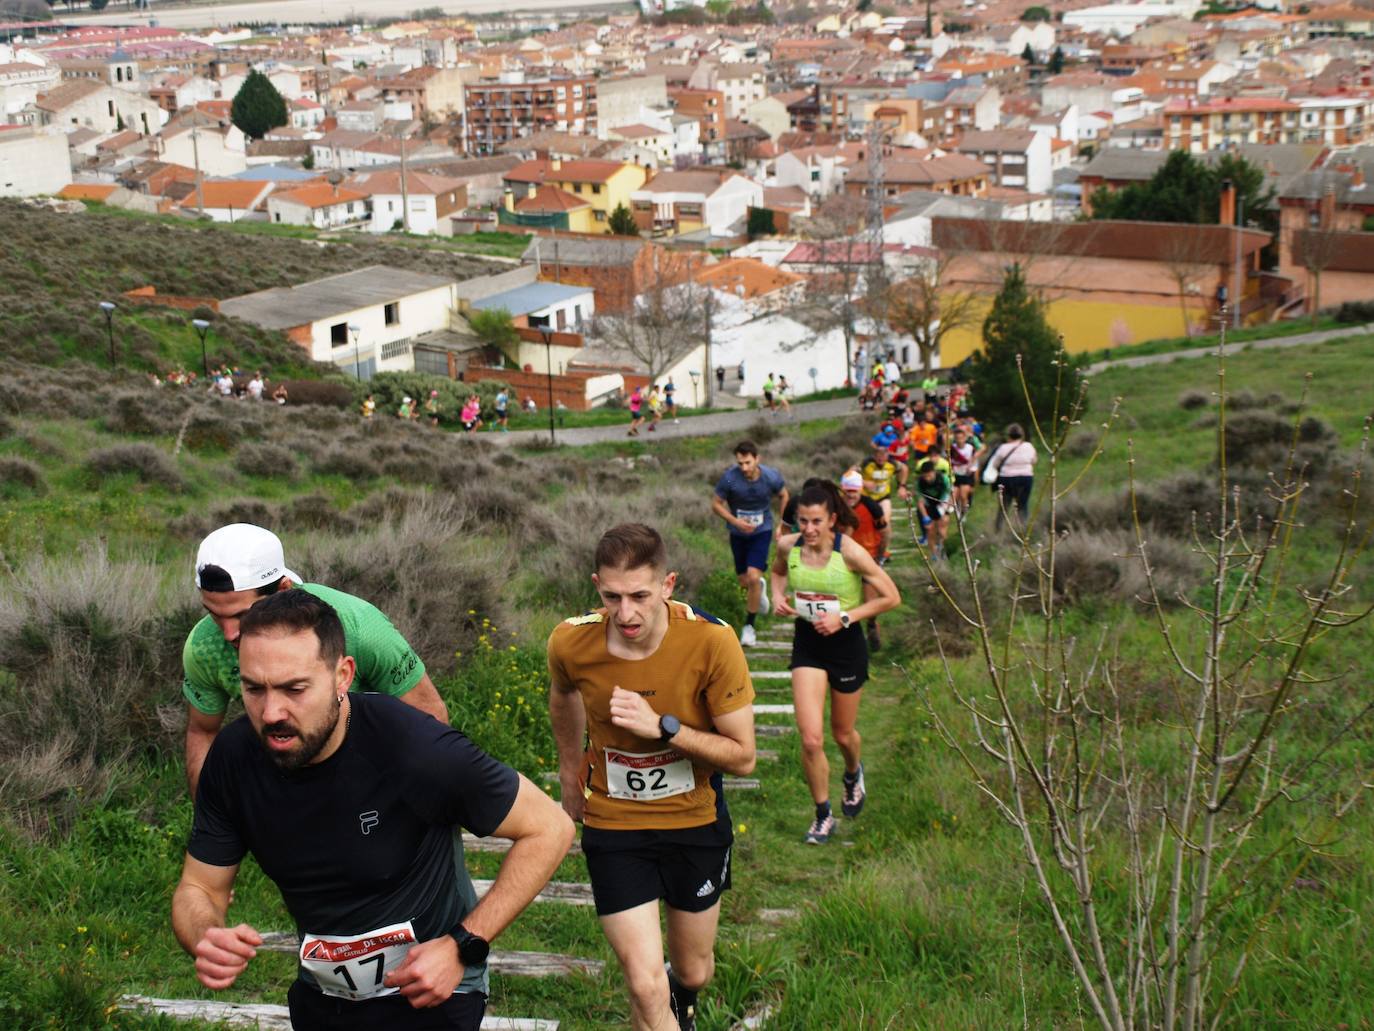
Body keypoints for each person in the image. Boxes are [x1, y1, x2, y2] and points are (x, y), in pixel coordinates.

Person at [173, 590, 573, 1031]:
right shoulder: (234, 759)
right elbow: (200, 888)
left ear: (343, 675)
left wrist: (463, 945)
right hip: (324, 996)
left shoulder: (411, 747)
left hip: (433, 992)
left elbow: (549, 827)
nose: (271, 713)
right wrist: (206, 935)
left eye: (295, 689)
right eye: (254, 689)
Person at [548, 524, 756, 1031]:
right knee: (644, 984)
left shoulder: (712, 641)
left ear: (668, 586)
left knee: (693, 970)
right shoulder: (572, 641)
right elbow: (563, 693)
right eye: (612, 597)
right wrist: (570, 773)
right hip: (615, 823)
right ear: (597, 585)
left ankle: (678, 997)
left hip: (695, 819)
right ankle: (661, 1006)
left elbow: (743, 757)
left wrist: (663, 728)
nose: (626, 613)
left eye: (640, 595)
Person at [181, 523, 450, 797]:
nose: (228, 634)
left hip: (375, 773)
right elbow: (203, 732)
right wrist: (209, 826)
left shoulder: (359, 627)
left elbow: (429, 716)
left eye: (242, 615)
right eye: (214, 614)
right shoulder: (203, 647)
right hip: (288, 776)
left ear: (283, 589)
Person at [770, 483, 899, 844]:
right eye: (803, 521)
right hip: (808, 643)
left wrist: (845, 617)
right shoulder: (787, 545)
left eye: (816, 522)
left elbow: (891, 597)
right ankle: (823, 815)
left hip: (845, 645)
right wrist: (777, 595)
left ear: (831, 521)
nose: (808, 529)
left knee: (842, 733)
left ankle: (853, 772)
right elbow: (778, 572)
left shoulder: (852, 553)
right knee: (811, 739)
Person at [711, 440, 788, 648]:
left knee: (753, 576)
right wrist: (735, 521)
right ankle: (758, 586)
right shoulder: (731, 479)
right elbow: (716, 504)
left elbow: (783, 495)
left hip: (761, 532)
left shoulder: (770, 476)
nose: (744, 468)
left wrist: (782, 524)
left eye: (747, 462)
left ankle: (749, 627)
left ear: (757, 459)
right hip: (737, 534)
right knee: (745, 581)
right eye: (740, 463)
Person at [838, 469, 889, 651]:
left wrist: (881, 556)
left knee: (870, 601)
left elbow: (884, 532)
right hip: (843, 560)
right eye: (847, 491)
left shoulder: (872, 506)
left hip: (869, 557)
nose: (851, 495)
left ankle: (872, 627)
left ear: (860, 490)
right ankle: (844, 637)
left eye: (854, 491)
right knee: (843, 601)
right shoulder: (835, 508)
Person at [987, 423, 1037, 529]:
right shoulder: (1028, 446)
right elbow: (1034, 461)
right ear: (1021, 435)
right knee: (1023, 506)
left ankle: (998, 531)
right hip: (1025, 478)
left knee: (1004, 507)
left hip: (1006, 479)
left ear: (1008, 435)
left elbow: (995, 464)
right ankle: (1023, 530)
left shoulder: (1002, 448)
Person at [862, 438, 901, 562]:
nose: (880, 459)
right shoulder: (866, 463)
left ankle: (883, 552)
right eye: (878, 456)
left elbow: (904, 469)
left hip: (884, 497)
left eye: (883, 456)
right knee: (869, 525)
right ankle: (872, 549)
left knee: (885, 523)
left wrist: (902, 486)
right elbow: (851, 472)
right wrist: (864, 482)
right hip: (868, 498)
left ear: (887, 456)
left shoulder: (892, 464)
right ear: (874, 456)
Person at [914, 459, 953, 561]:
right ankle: (934, 555)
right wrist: (925, 516)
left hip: (943, 503)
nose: (927, 478)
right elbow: (920, 501)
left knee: (942, 530)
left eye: (929, 475)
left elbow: (950, 495)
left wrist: (945, 509)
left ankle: (942, 549)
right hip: (929, 505)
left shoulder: (944, 479)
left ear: (934, 472)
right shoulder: (920, 482)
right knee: (930, 531)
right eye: (925, 476)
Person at [948, 423, 984, 516]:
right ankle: (955, 512)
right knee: (954, 495)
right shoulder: (952, 449)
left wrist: (971, 469)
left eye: (961, 438)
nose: (959, 440)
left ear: (965, 438)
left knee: (964, 496)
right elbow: (949, 460)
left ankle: (963, 513)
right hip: (955, 475)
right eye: (957, 438)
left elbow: (973, 461)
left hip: (966, 475)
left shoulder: (970, 448)